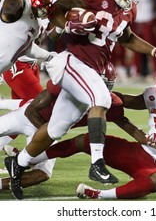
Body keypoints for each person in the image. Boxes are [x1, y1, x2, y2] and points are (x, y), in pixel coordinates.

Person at [4, 0, 156, 196]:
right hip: (73, 61)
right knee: (101, 98)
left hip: (92, 69)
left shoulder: (127, 11)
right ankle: (97, 164)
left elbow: (126, 37)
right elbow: (55, 9)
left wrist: (155, 51)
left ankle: (19, 162)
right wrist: (67, 25)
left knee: (56, 129)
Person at [30, 58, 156, 199]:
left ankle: (99, 195)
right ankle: (31, 158)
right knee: (84, 140)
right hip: (137, 152)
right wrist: (96, 89)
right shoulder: (153, 93)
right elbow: (127, 101)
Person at [0, 62, 119, 193]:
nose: (101, 89)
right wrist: (43, 138)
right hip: (28, 119)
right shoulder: (67, 84)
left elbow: (125, 110)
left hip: (48, 132)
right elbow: (31, 110)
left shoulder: (107, 103)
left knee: (42, 173)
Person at [0, 0, 59, 75]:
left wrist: (48, 56)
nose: (47, 1)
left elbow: (23, 46)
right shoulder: (17, 4)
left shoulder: (31, 19)